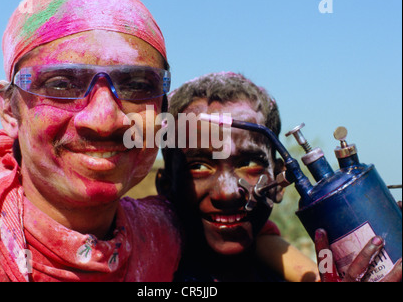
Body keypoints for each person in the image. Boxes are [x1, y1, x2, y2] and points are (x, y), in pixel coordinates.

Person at [0, 0, 181, 282]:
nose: (104, 121)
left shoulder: (167, 236)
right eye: (61, 84)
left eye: (137, 85)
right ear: (10, 110)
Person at [157, 72, 402, 282]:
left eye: (248, 163)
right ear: (165, 185)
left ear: (279, 182)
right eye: (199, 166)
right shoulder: (139, 266)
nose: (228, 191)